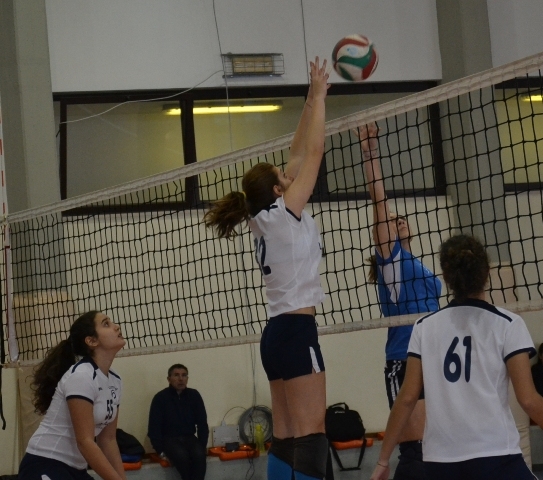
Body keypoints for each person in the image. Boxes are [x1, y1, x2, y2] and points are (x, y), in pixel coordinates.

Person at [204, 57, 329, 480]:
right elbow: (314, 152)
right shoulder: (284, 213)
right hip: (295, 330)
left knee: (288, 435)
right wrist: (322, 98)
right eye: (283, 175)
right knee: (311, 432)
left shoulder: (264, 217)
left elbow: (297, 152)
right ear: (278, 189)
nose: (290, 173)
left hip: (275, 335)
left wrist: (310, 98)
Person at [371, 234, 543, 480]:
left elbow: (407, 398)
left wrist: (382, 460)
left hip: (440, 462)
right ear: (486, 273)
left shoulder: (424, 327)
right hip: (495, 456)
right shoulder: (508, 324)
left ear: (446, 277)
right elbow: (528, 400)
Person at [356, 123, 442, 479]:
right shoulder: (390, 266)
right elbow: (379, 203)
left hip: (435, 357)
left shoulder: (415, 264)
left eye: (397, 219)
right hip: (405, 361)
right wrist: (371, 152)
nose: (396, 220)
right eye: (390, 222)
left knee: (439, 450)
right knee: (416, 452)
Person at [19, 311, 126, 480]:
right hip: (46, 463)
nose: (116, 327)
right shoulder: (82, 376)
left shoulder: (115, 380)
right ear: (92, 341)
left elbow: (108, 440)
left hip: (76, 469)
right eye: (106, 324)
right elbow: (85, 442)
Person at [147, 364, 209, 480]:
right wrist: (160, 451)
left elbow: (202, 423)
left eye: (184, 375)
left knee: (199, 455)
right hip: (169, 439)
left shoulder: (194, 395)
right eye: (176, 375)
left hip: (190, 438)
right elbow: (154, 427)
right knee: (181, 456)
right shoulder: (160, 398)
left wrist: (202, 445)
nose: (181, 379)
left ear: (187, 379)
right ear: (169, 379)